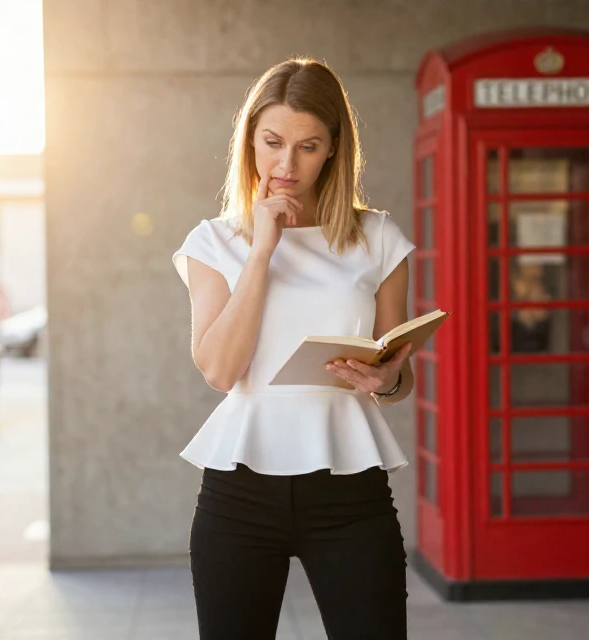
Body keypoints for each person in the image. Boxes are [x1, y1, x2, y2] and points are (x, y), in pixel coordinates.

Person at [171, 57, 416, 639]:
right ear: (250, 140)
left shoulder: (378, 237)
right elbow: (221, 371)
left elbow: (398, 373)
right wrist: (261, 250)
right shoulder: (213, 242)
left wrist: (386, 382)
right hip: (240, 492)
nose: (286, 165)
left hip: (350, 489)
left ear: (333, 150)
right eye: (273, 143)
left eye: (308, 147)